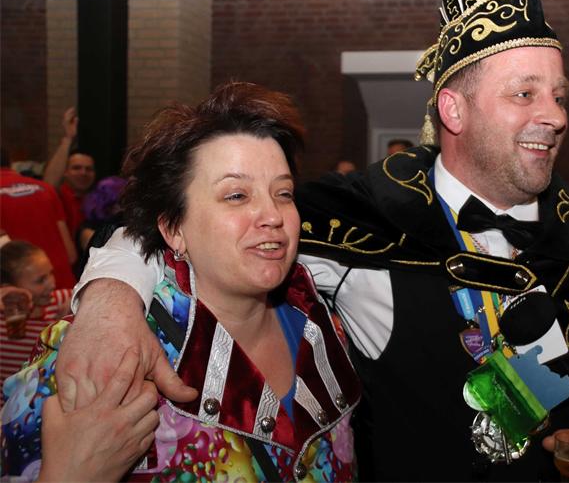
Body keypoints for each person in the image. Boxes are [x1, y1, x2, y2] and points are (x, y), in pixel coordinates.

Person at [57, 0, 569, 481]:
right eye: (524, 93)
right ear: (453, 110)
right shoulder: (364, 213)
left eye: (558, 96)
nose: (554, 115)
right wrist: (111, 300)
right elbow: (165, 221)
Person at [1, 83, 360, 482]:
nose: (273, 215)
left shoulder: (324, 324)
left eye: (284, 192)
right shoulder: (96, 350)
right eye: (236, 195)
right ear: (174, 229)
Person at [0, 241, 72, 394]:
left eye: (51, 273)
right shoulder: (4, 321)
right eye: (40, 280)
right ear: (8, 287)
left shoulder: (61, 301)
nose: (52, 284)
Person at [0, 149, 77, 288]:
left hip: (22, 295)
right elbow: (71, 255)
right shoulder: (46, 188)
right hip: (65, 290)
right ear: (10, 162)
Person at [42, 107, 97, 238]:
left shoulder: (98, 198)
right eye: (76, 168)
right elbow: (48, 185)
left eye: (89, 169)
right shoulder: (60, 196)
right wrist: (68, 138)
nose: (83, 173)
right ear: (65, 172)